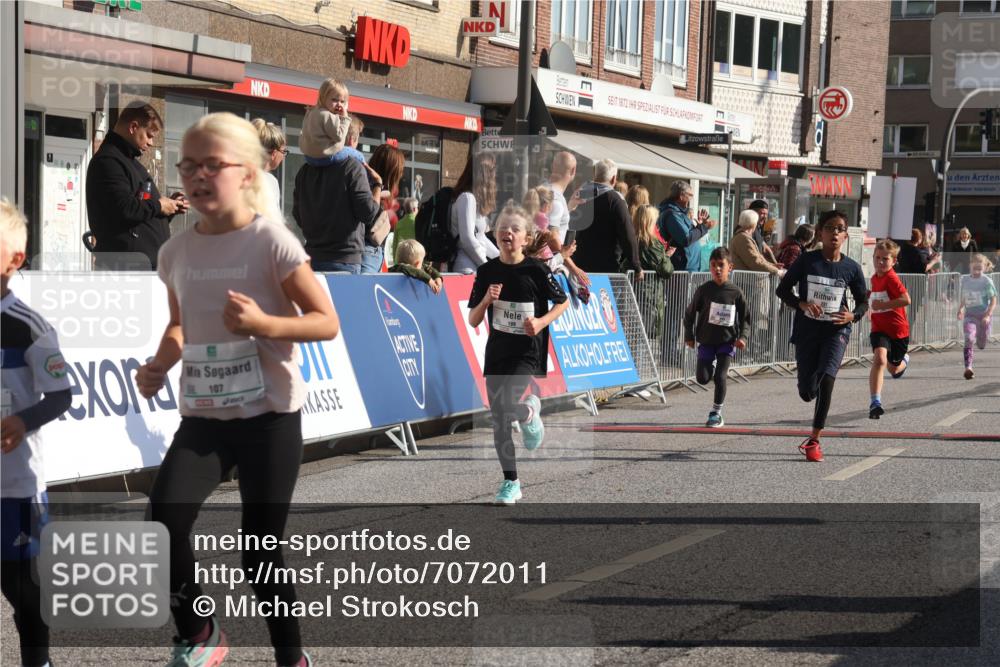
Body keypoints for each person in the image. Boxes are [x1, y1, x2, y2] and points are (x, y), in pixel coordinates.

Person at [136, 112, 339, 667]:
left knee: (260, 552)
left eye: (213, 165)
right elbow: (181, 326)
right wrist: (158, 364)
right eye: (188, 166)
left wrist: (265, 326)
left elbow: (325, 321)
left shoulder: (270, 242)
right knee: (162, 522)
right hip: (203, 415)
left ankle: (290, 655)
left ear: (247, 173)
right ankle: (199, 630)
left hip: (269, 418)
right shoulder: (175, 253)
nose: (198, 176)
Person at [1, 199, 72, 667]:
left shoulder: (29, 326)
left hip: (17, 486)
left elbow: (63, 395)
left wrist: (22, 422)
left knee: (23, 587)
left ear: (14, 261)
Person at [467, 205, 569, 505]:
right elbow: (473, 320)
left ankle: (525, 411)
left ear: (526, 238)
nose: (507, 232)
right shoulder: (486, 271)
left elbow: (561, 302)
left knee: (507, 404)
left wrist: (539, 322)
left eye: (514, 229)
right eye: (502, 228)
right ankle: (511, 482)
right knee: (499, 419)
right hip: (497, 352)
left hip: (527, 352)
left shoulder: (536, 270)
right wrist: (486, 299)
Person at [776, 210, 868, 462]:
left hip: (836, 331)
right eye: (830, 228)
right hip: (807, 332)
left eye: (840, 228)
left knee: (828, 378)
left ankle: (814, 440)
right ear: (820, 233)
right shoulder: (807, 261)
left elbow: (862, 302)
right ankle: (810, 386)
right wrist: (803, 304)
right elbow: (782, 290)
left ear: (846, 235)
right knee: (807, 392)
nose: (835, 233)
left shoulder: (851, 268)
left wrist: (853, 317)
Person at [86, 101, 188, 269]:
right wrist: (159, 206)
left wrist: (170, 207)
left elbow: (139, 215)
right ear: (133, 127)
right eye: (149, 135)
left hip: (141, 268)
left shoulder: (129, 163)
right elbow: (125, 209)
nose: (151, 142)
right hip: (125, 270)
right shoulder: (109, 161)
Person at [292, 125, 384, 274]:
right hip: (344, 259)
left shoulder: (305, 171)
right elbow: (368, 214)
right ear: (349, 139)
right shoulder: (352, 167)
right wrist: (378, 185)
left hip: (313, 256)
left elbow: (298, 215)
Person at [684, 247, 749, 428]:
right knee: (703, 378)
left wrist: (743, 337)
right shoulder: (704, 290)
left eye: (721, 265)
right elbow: (689, 314)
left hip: (727, 342)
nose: (717, 269)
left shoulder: (736, 292)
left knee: (721, 377)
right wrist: (689, 335)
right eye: (713, 265)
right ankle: (710, 364)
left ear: (730, 267)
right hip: (706, 340)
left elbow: (746, 319)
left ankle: (716, 413)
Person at [570, 159, 643, 277]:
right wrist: (636, 265)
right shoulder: (615, 199)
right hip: (604, 267)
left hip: (576, 264)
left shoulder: (578, 194)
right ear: (614, 179)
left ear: (595, 174)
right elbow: (627, 233)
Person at [868, 240, 912, 419]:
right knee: (879, 359)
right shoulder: (874, 278)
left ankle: (905, 360)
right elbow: (876, 299)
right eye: (877, 258)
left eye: (885, 259)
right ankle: (875, 402)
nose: (880, 262)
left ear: (893, 261)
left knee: (894, 369)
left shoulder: (892, 278)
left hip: (898, 331)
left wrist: (883, 305)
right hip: (879, 328)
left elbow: (906, 299)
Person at [450, 152, 500, 274]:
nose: (495, 176)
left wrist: (501, 258)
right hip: (466, 269)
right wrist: (486, 265)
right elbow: (466, 239)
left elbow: (480, 237)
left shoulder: (472, 199)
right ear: (485, 174)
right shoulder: (467, 198)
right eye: (493, 171)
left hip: (475, 266)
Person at [361, 143, 405, 273]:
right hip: (367, 255)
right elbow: (370, 215)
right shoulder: (370, 189)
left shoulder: (367, 185)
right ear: (392, 171)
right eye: (400, 171)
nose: (401, 175)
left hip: (374, 254)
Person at [657, 180, 716, 272]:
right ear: (681, 196)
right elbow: (686, 238)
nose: (691, 198)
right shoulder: (673, 215)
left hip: (689, 267)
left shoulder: (679, 213)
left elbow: (689, 233)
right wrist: (704, 227)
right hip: (682, 268)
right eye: (690, 195)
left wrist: (700, 225)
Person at [957, 253, 997, 380]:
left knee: (981, 344)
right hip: (970, 315)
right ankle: (968, 368)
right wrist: (960, 309)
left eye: (980, 269)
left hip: (984, 317)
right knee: (968, 338)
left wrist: (987, 315)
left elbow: (993, 300)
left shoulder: (986, 281)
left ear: (984, 268)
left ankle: (982, 338)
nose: (977, 271)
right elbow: (964, 297)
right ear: (970, 267)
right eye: (975, 268)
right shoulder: (965, 280)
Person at [298, 78, 352, 166]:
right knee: (356, 155)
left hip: (309, 157)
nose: (339, 104)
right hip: (325, 157)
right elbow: (339, 136)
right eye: (334, 100)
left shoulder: (311, 111)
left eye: (342, 102)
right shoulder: (327, 115)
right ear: (323, 98)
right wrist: (345, 118)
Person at [729, 210, 784, 276]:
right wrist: (777, 271)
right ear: (753, 224)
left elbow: (757, 259)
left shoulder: (743, 237)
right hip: (749, 283)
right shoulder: (743, 238)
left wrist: (773, 265)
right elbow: (755, 262)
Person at [251, 118, 287, 212]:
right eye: (283, 151)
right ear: (274, 154)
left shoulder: (240, 175)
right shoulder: (270, 181)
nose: (283, 156)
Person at [747, 200, 779, 264]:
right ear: (752, 213)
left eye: (766, 214)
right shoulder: (747, 229)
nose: (765, 217)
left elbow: (766, 248)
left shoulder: (760, 227)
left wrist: (776, 264)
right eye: (762, 213)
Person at [391, 197, 419, 262]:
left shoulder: (398, 224)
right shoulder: (418, 223)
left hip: (401, 258)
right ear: (414, 209)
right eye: (417, 207)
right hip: (415, 258)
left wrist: (395, 260)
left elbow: (394, 244)